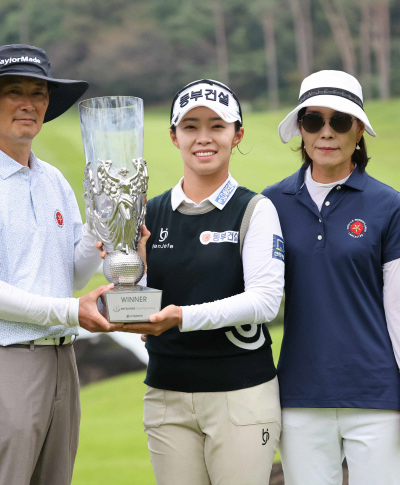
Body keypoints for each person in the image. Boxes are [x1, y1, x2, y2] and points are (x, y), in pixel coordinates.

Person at [0, 44, 120, 485]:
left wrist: (105, 232)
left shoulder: (53, 180)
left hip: (60, 361)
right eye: (13, 91)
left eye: (38, 93)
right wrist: (73, 312)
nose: (29, 103)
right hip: (1, 362)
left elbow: (69, 273)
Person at [111, 79, 285, 485]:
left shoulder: (255, 210)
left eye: (216, 125)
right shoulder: (147, 214)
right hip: (166, 396)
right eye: (190, 126)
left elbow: (264, 302)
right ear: (173, 137)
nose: (203, 138)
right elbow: (139, 306)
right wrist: (128, 275)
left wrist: (181, 317)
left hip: (241, 395)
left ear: (237, 134)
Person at [262, 70, 400, 484]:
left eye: (340, 121)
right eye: (313, 121)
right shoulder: (270, 204)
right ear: (301, 130)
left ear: (358, 131)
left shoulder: (387, 204)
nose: (326, 133)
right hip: (299, 396)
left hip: (376, 398)